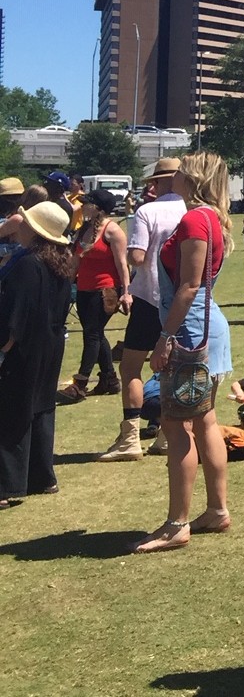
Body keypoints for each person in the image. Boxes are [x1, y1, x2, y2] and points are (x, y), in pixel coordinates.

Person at [132, 152, 235, 552]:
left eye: (178, 171)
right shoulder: (211, 217)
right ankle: (216, 509)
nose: (170, 176)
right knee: (205, 422)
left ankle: (177, 523)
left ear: (193, 177)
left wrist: (164, 339)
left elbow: (189, 286)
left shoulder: (195, 219)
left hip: (190, 329)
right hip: (204, 324)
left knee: (177, 428)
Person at [104, 157, 187, 463]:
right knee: (172, 368)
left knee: (131, 368)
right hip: (182, 300)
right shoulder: (194, 210)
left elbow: (137, 257)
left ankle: (130, 438)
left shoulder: (147, 211)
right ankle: (167, 434)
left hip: (148, 298)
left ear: (157, 182)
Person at [0, 202, 74, 508]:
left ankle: (7, 486)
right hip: (51, 343)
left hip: (25, 346)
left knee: (11, 409)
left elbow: (15, 316)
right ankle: (42, 477)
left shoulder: (28, 264)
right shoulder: (63, 261)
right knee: (42, 405)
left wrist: (4, 348)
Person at [64, 189, 129, 401]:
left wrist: (126, 292)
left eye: (87, 204)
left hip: (105, 290)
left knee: (91, 335)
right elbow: (76, 261)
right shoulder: (85, 228)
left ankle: (81, 382)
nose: (83, 206)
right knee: (96, 333)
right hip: (84, 289)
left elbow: (122, 265)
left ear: (98, 208)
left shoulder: (113, 231)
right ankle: (109, 379)